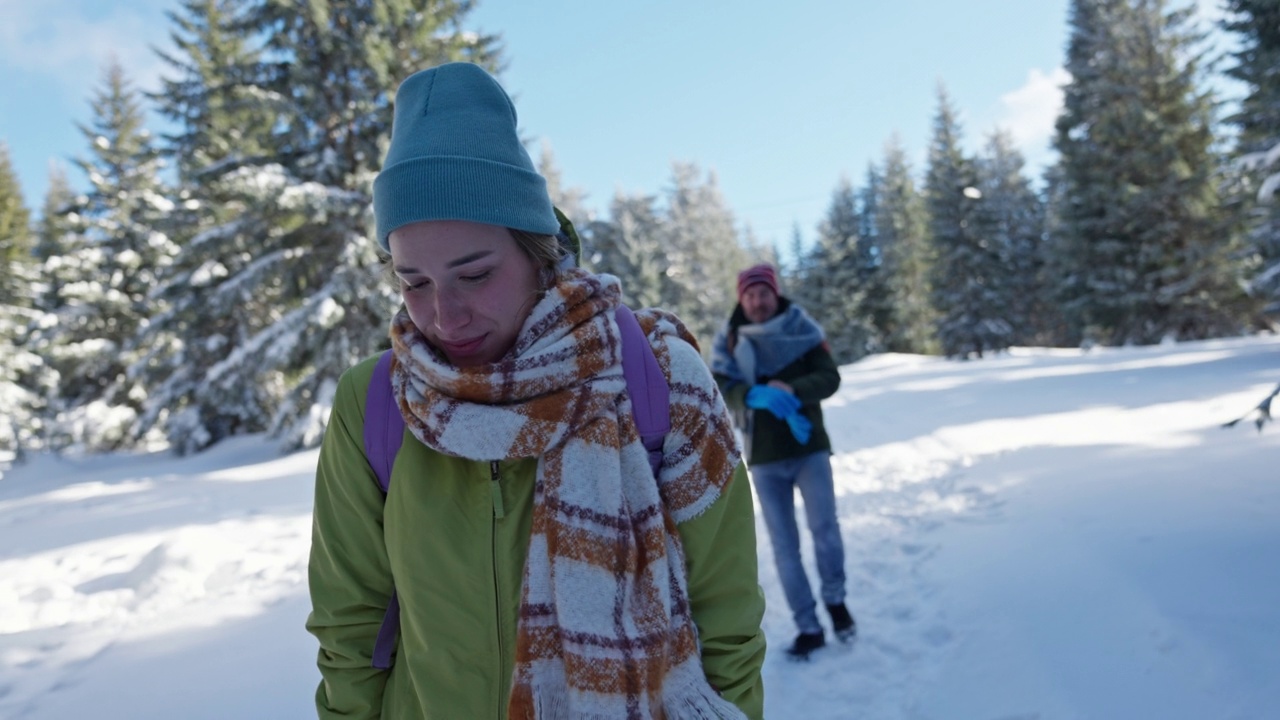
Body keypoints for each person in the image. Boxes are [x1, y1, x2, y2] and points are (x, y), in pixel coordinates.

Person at [306, 62, 766, 719]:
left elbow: (727, 618)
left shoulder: (658, 376)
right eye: (414, 282)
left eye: (475, 272)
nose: (444, 314)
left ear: (537, 250)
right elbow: (348, 629)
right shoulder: (376, 404)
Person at [711, 264, 855, 660]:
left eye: (764, 293)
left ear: (775, 294)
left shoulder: (802, 329)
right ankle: (808, 625)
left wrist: (792, 390)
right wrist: (750, 395)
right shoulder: (731, 339)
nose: (758, 301)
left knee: (825, 530)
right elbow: (720, 385)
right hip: (764, 457)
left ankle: (837, 604)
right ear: (742, 298)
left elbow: (830, 378)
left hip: (809, 449)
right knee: (784, 546)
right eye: (750, 294)